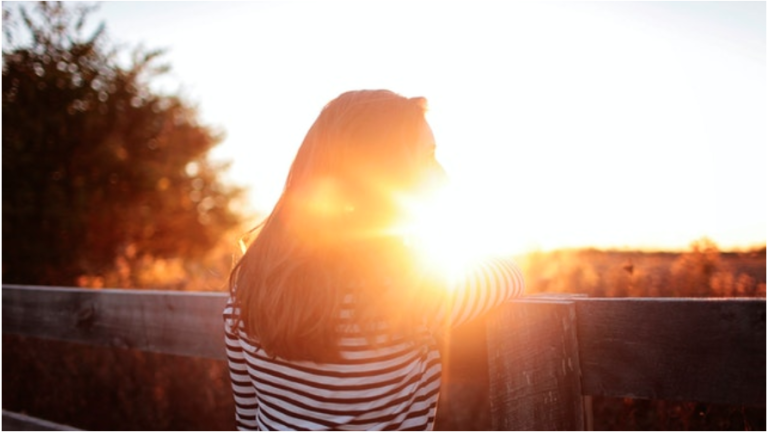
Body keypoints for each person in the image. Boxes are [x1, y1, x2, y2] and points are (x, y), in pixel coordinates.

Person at [223, 89, 525, 431]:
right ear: (382, 172)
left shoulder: (247, 287)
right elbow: (510, 275)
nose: (442, 174)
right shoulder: (409, 290)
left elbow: (247, 419)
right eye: (427, 157)